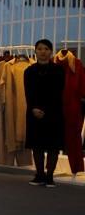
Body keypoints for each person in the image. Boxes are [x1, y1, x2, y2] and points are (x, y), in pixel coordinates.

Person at [24, 39, 65, 187]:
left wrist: (45, 110)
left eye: (46, 49)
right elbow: (28, 93)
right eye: (40, 49)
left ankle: (50, 177)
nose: (43, 52)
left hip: (54, 113)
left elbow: (58, 92)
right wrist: (34, 108)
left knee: (53, 146)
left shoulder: (59, 70)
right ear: (35, 51)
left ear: (51, 52)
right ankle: (40, 175)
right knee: (37, 145)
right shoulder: (29, 71)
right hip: (34, 112)